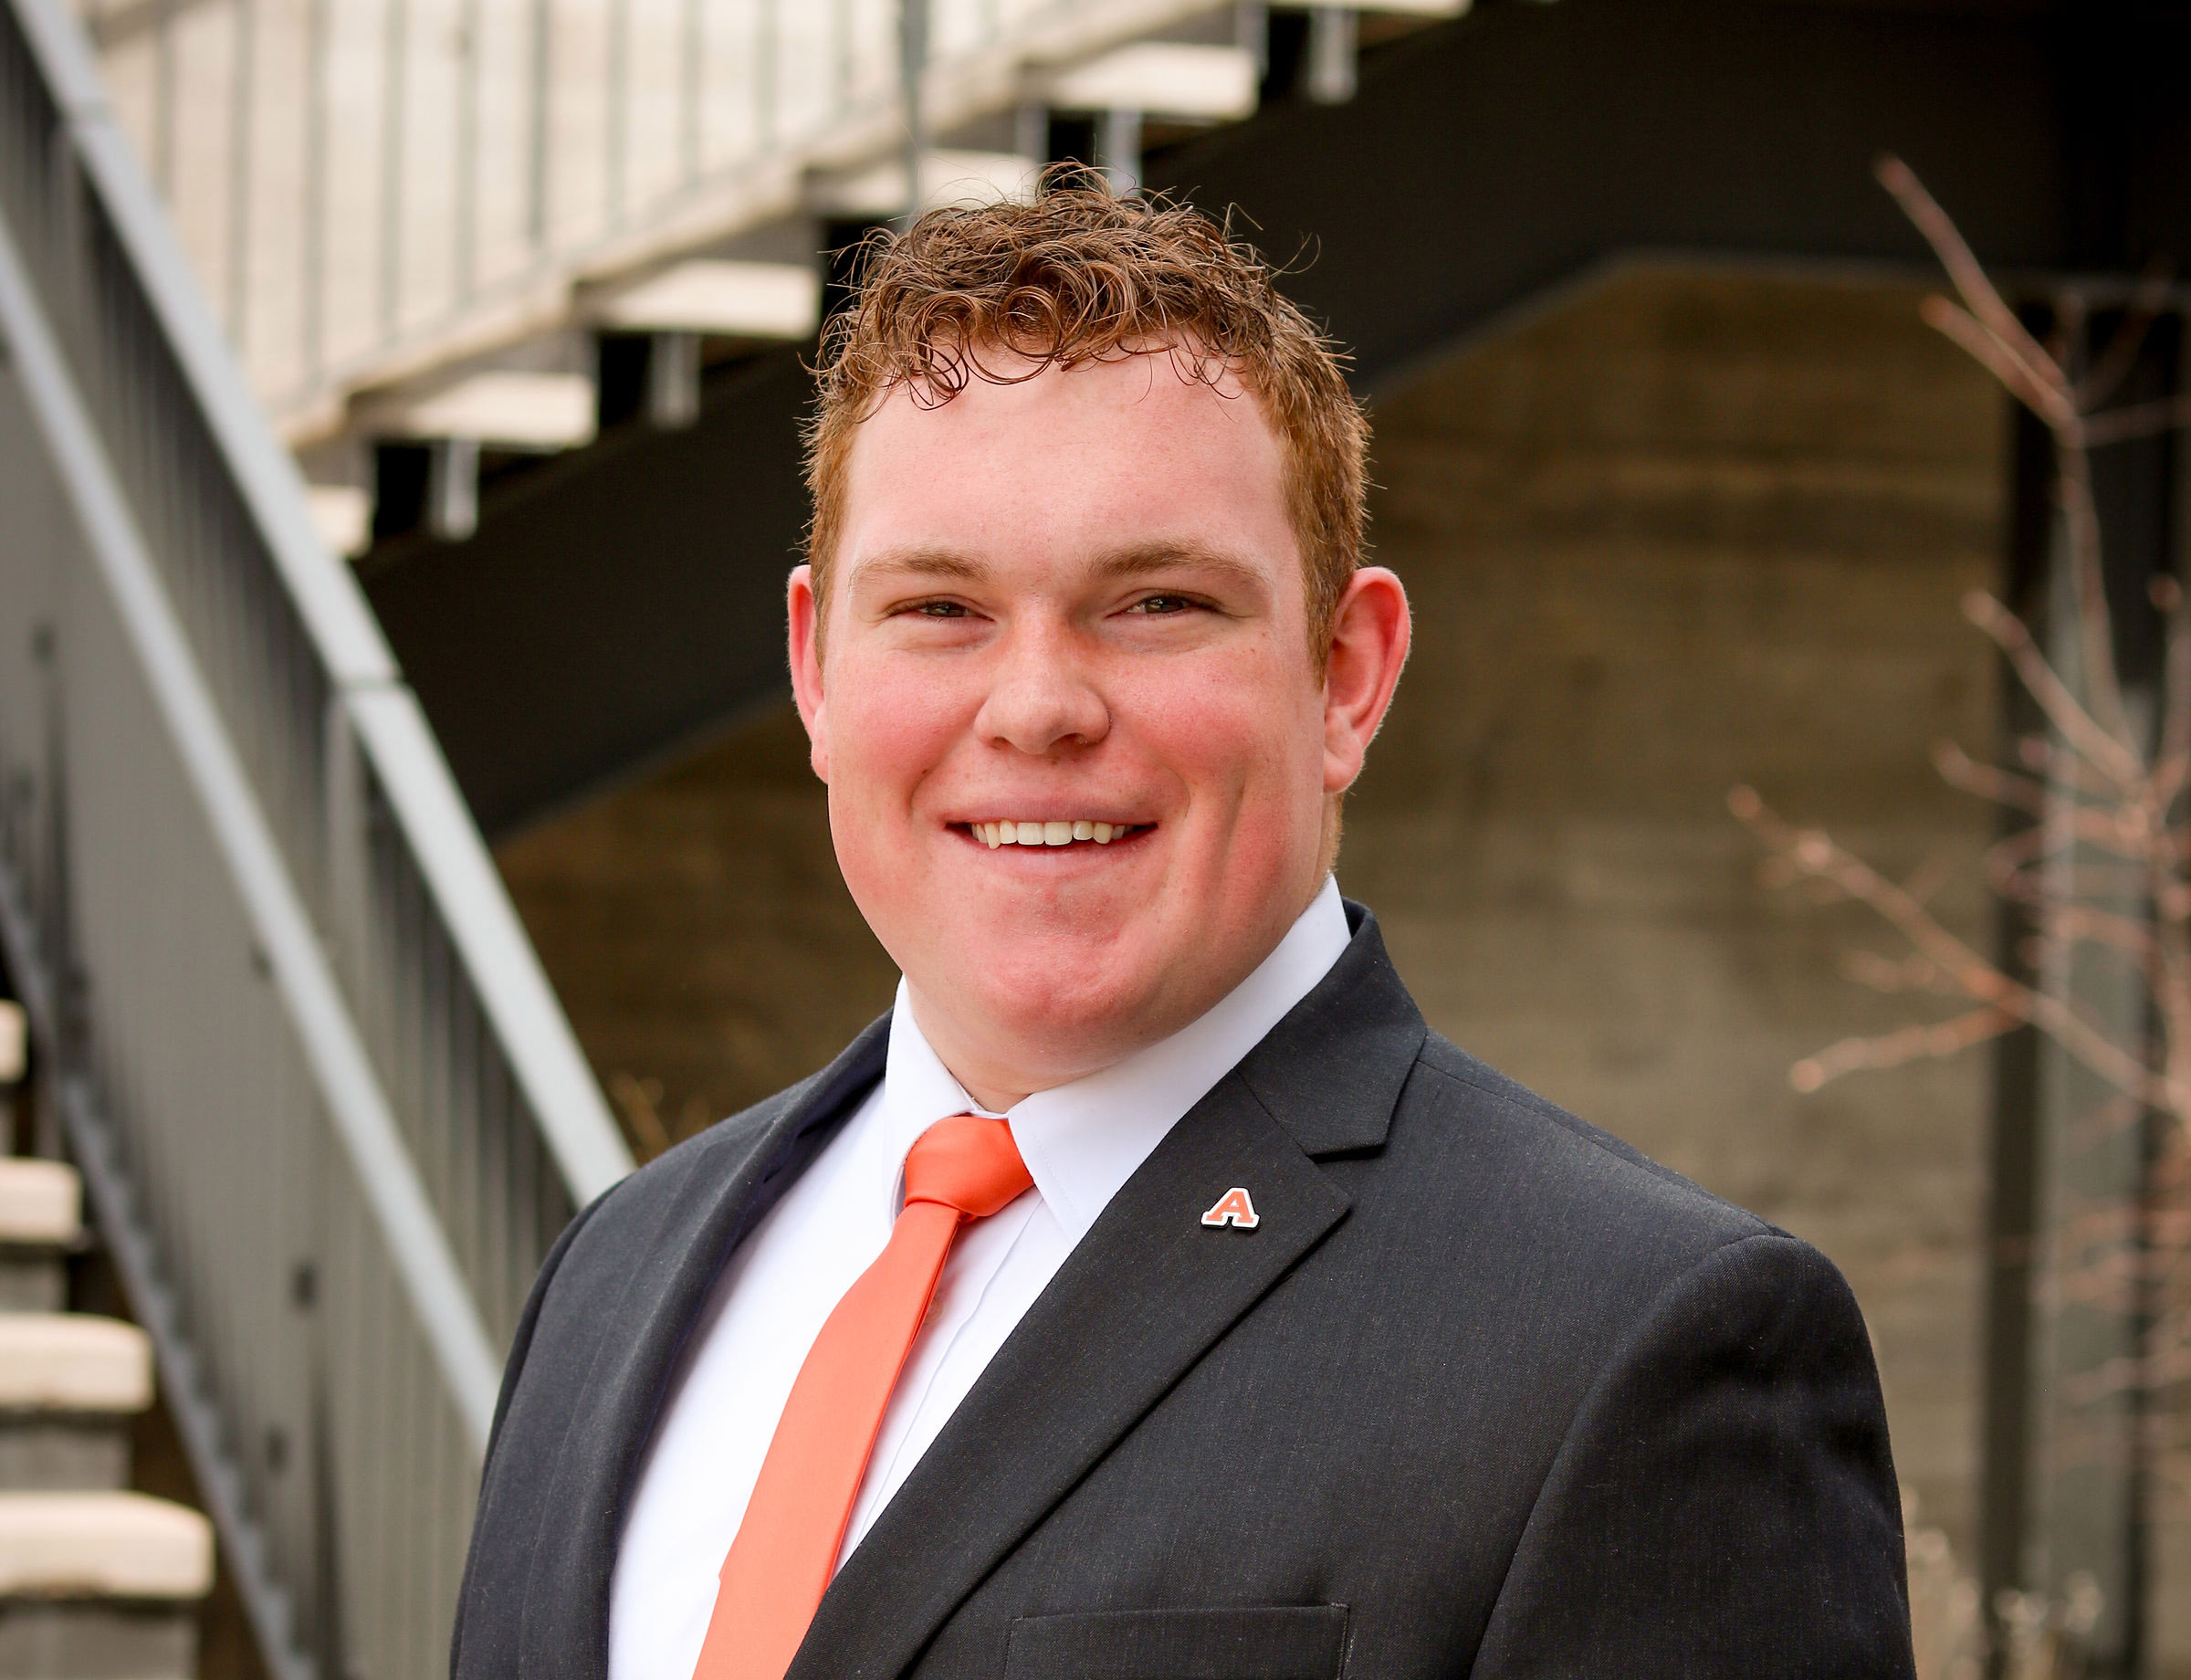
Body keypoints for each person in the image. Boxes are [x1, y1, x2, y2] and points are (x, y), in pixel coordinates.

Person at [452, 181, 1914, 1680]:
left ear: (1347, 675)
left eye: (1153, 604)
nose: (1035, 708)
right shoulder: (616, 1273)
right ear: (815, 672)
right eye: (941, 608)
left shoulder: (1633, 1346)